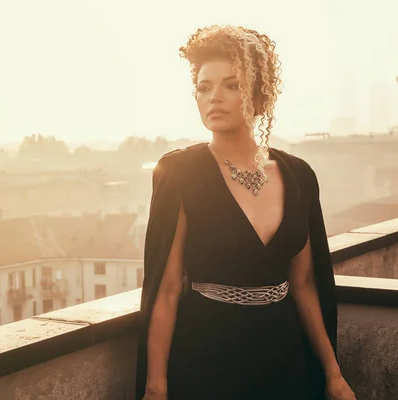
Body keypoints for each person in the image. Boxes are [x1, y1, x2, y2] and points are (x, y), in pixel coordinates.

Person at [134, 25, 356, 400]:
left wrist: (333, 374)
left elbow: (303, 284)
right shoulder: (179, 172)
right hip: (206, 359)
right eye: (204, 88)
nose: (213, 98)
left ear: (259, 93)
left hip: (284, 358)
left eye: (231, 85)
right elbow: (167, 289)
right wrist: (156, 387)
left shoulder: (298, 174)